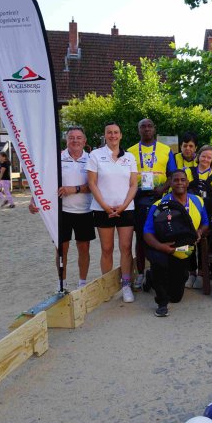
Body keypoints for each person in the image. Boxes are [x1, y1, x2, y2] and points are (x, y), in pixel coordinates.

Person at [29, 126, 95, 292]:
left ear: (84, 141)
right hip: (61, 212)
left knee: (84, 248)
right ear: (67, 140)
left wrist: (75, 189)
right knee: (61, 249)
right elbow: (43, 181)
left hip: (85, 211)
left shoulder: (91, 159)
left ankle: (82, 282)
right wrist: (33, 199)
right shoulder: (57, 158)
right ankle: (62, 283)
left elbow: (95, 185)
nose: (75, 140)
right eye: (71, 137)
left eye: (79, 137)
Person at [143, 169, 209, 317]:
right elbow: (147, 232)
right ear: (170, 183)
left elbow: (205, 223)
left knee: (176, 297)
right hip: (161, 246)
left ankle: (152, 277)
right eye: (176, 180)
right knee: (160, 263)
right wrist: (162, 247)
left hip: (182, 250)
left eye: (182, 180)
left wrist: (199, 232)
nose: (179, 183)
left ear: (187, 183)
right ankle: (161, 303)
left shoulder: (198, 201)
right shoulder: (159, 205)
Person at [87, 121, 138, 302]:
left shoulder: (130, 157)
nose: (113, 135)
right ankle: (107, 287)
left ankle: (126, 285)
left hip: (126, 209)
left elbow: (133, 185)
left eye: (116, 132)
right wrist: (106, 206)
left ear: (121, 135)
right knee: (106, 249)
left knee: (125, 248)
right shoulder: (95, 155)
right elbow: (92, 183)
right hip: (103, 209)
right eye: (109, 132)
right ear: (105, 135)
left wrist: (123, 206)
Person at [127, 118, 177, 291]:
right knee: (141, 238)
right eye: (143, 126)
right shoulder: (131, 151)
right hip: (139, 200)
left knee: (162, 235)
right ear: (138, 130)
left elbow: (172, 174)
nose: (146, 129)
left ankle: (163, 272)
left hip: (160, 199)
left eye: (149, 126)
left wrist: (162, 188)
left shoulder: (165, 150)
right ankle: (140, 272)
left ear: (154, 129)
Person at [185, 145, 212, 288]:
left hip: (209, 217)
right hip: (190, 216)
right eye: (203, 156)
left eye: (209, 157)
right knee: (189, 244)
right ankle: (191, 273)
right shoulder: (188, 172)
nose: (205, 159)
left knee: (203, 246)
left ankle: (202, 273)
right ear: (198, 156)